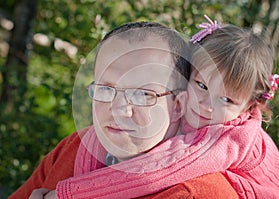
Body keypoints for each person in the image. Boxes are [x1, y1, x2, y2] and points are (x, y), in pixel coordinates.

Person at [36, 16, 279, 199]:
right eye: (202, 85)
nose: (205, 105)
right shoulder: (73, 148)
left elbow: (155, 171)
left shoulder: (227, 139)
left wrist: (66, 193)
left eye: (227, 100)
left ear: (249, 107)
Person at [10, 22, 239, 199]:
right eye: (106, 89)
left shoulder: (196, 194)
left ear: (178, 105)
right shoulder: (74, 148)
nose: (119, 110)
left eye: (142, 95)